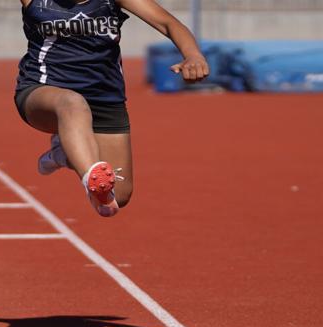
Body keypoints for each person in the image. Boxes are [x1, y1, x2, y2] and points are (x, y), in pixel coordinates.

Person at [16, 0, 209, 218]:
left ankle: (63, 155)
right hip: (44, 91)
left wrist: (192, 54)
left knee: (120, 196)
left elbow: (167, 22)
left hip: (104, 98)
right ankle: (90, 176)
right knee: (72, 104)